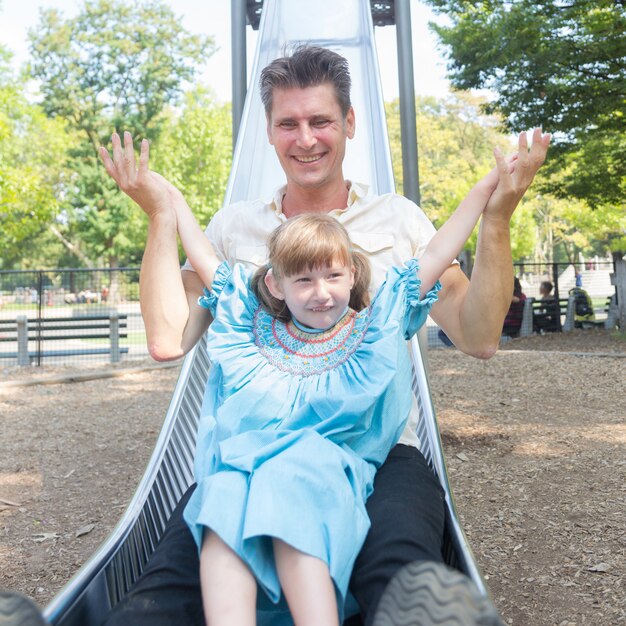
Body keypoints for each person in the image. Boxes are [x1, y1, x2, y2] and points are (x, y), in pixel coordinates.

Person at [98, 45, 550, 626]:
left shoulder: (398, 220)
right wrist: (163, 218)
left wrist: (496, 218)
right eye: (288, 123)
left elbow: (479, 335)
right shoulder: (236, 229)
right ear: (269, 130)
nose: (305, 138)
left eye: (321, 121)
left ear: (350, 123)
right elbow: (167, 337)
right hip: (257, 449)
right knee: (171, 579)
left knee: (398, 566)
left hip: (381, 448)